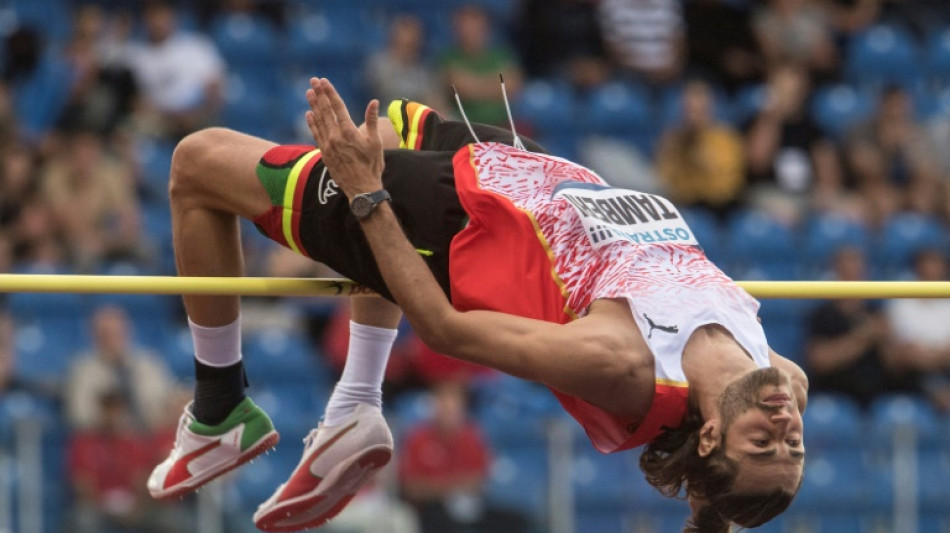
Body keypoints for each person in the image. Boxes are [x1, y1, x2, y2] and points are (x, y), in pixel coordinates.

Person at [148, 79, 808, 533]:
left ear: (716, 434)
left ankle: (219, 407)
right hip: (525, 177)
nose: (783, 422)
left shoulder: (626, 363)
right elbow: (718, 484)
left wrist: (366, 194)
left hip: (458, 221)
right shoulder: (784, 377)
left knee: (198, 163)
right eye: (793, 442)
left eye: (764, 439)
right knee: (388, 123)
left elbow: (445, 329)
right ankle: (354, 406)